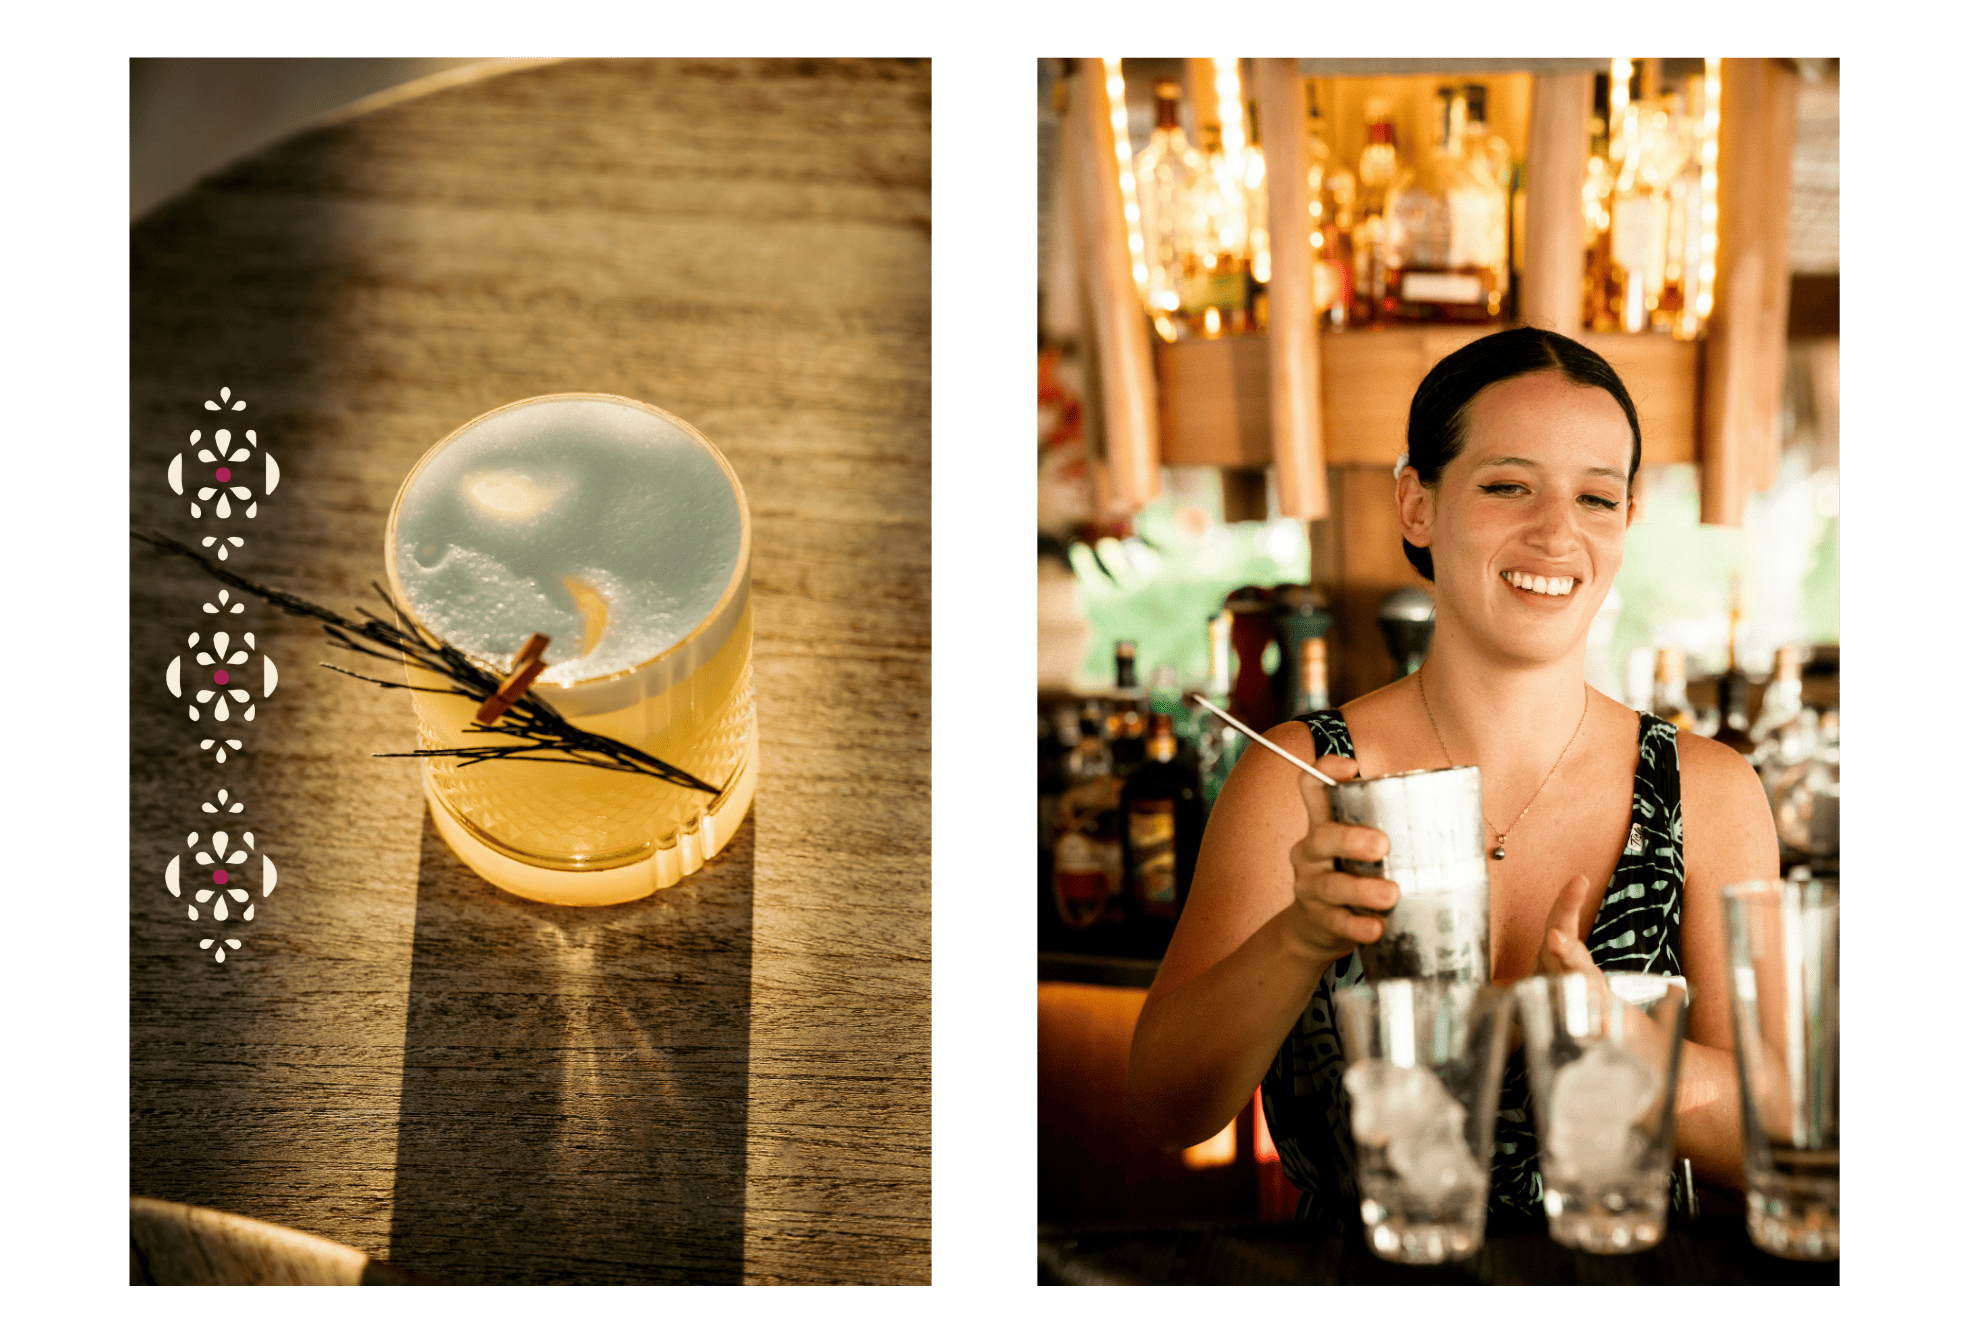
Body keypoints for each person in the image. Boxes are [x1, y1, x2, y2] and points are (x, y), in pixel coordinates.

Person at [1126, 327, 1776, 1228]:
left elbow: (1784, 1140)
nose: (1556, 532)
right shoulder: (1297, 775)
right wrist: (1301, 937)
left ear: (1626, 522)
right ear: (1417, 505)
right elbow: (1167, 1111)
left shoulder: (1709, 791)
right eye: (1508, 485)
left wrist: (1634, 1051)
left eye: (1596, 497)